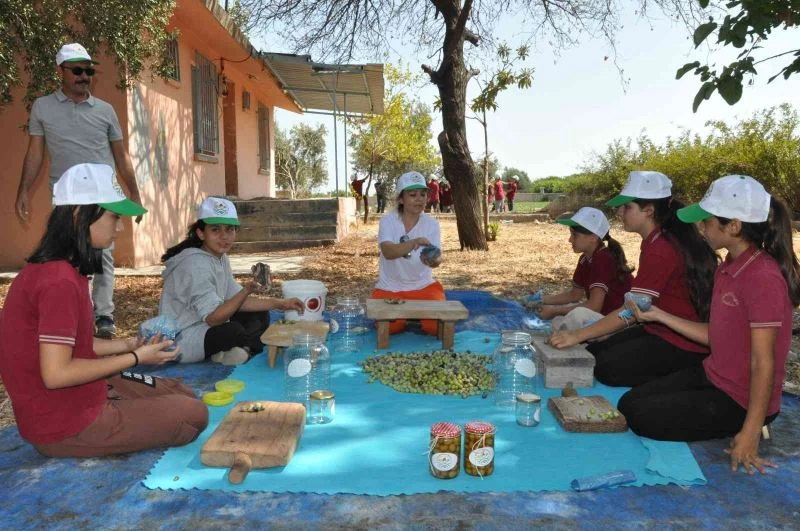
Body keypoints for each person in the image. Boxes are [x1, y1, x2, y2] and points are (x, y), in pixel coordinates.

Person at [0, 163, 208, 458]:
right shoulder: (58, 280)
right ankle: (112, 421)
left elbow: (72, 345)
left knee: (180, 391)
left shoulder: (63, 270)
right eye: (114, 216)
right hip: (66, 423)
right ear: (78, 215)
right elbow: (56, 373)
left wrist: (128, 344)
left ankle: (122, 405)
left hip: (80, 395)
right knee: (193, 412)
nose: (120, 227)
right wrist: (135, 357)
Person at [617, 175, 799, 474]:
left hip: (740, 398)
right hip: (714, 374)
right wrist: (658, 315)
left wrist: (750, 432)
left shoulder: (762, 277)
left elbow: (763, 361)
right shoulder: (728, 265)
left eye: (708, 220)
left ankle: (745, 424)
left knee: (639, 416)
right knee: (629, 402)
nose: (701, 227)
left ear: (734, 226)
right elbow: (716, 335)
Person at [15, 43, 144, 340]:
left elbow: (121, 155)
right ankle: (77, 312)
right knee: (68, 255)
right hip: (66, 198)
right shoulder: (42, 107)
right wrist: (23, 190)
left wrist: (134, 192)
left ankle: (103, 315)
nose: (84, 76)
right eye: (77, 70)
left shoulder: (106, 111)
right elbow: (35, 152)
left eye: (88, 70)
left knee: (103, 255)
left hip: (103, 194)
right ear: (61, 71)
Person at [549, 171, 719, 387]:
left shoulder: (661, 247)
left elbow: (630, 311)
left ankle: (679, 378)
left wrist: (578, 334)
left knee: (604, 367)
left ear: (649, 210)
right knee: (594, 353)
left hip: (680, 339)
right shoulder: (658, 240)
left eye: (627, 207)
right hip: (657, 327)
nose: (620, 212)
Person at [159, 197, 304, 365]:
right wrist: (246, 290)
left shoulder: (220, 258)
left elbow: (237, 301)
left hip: (207, 324)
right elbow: (213, 319)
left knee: (259, 315)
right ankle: (241, 350)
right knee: (232, 331)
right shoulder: (194, 264)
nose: (224, 237)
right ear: (201, 233)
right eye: (215, 230)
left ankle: (238, 352)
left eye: (229, 229)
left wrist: (280, 303)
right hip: (183, 337)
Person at [371, 171, 445, 335]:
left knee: (436, 328)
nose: (419, 199)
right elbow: (388, 252)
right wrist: (414, 242)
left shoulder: (432, 224)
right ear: (401, 199)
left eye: (423, 194)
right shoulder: (388, 221)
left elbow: (437, 259)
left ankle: (415, 316)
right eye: (412, 194)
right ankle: (409, 317)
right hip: (390, 287)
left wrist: (434, 260)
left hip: (422, 286)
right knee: (390, 327)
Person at [535, 207, 633, 330]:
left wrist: (555, 310)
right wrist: (541, 300)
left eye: (574, 235)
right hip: (605, 315)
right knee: (567, 313)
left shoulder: (603, 259)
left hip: (619, 321)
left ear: (593, 237)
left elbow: (594, 306)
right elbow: (574, 295)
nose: (570, 240)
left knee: (576, 315)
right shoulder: (586, 259)